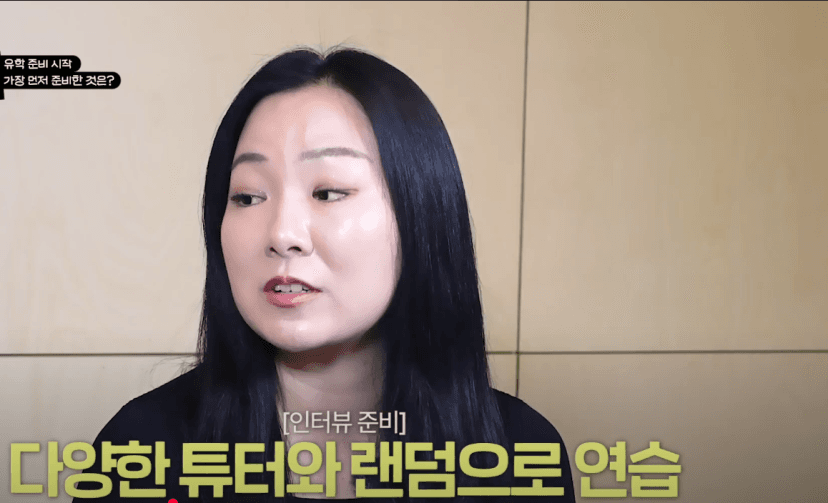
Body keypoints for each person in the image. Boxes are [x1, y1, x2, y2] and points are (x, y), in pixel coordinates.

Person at [74, 46, 575, 502]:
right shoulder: (141, 451)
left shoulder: (519, 455)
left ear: (422, 214)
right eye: (248, 196)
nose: (282, 234)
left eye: (328, 192)